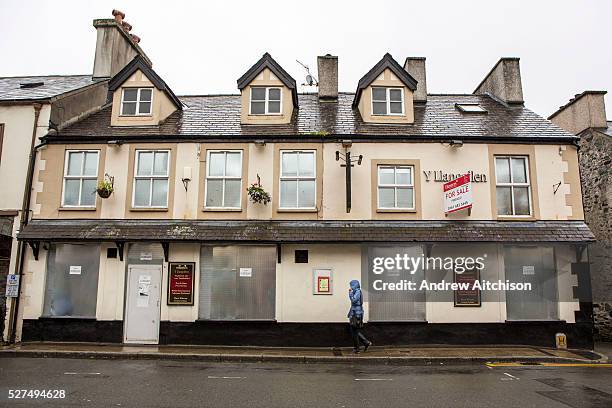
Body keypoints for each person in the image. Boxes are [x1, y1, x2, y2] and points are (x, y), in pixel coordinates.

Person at [347, 280, 372, 354]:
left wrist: (350, 293)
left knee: (354, 331)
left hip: (356, 314)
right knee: (354, 331)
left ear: (355, 285)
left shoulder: (357, 291)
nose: (351, 287)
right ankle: (365, 343)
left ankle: (357, 348)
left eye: (351, 285)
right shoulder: (356, 291)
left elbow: (354, 300)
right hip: (355, 313)